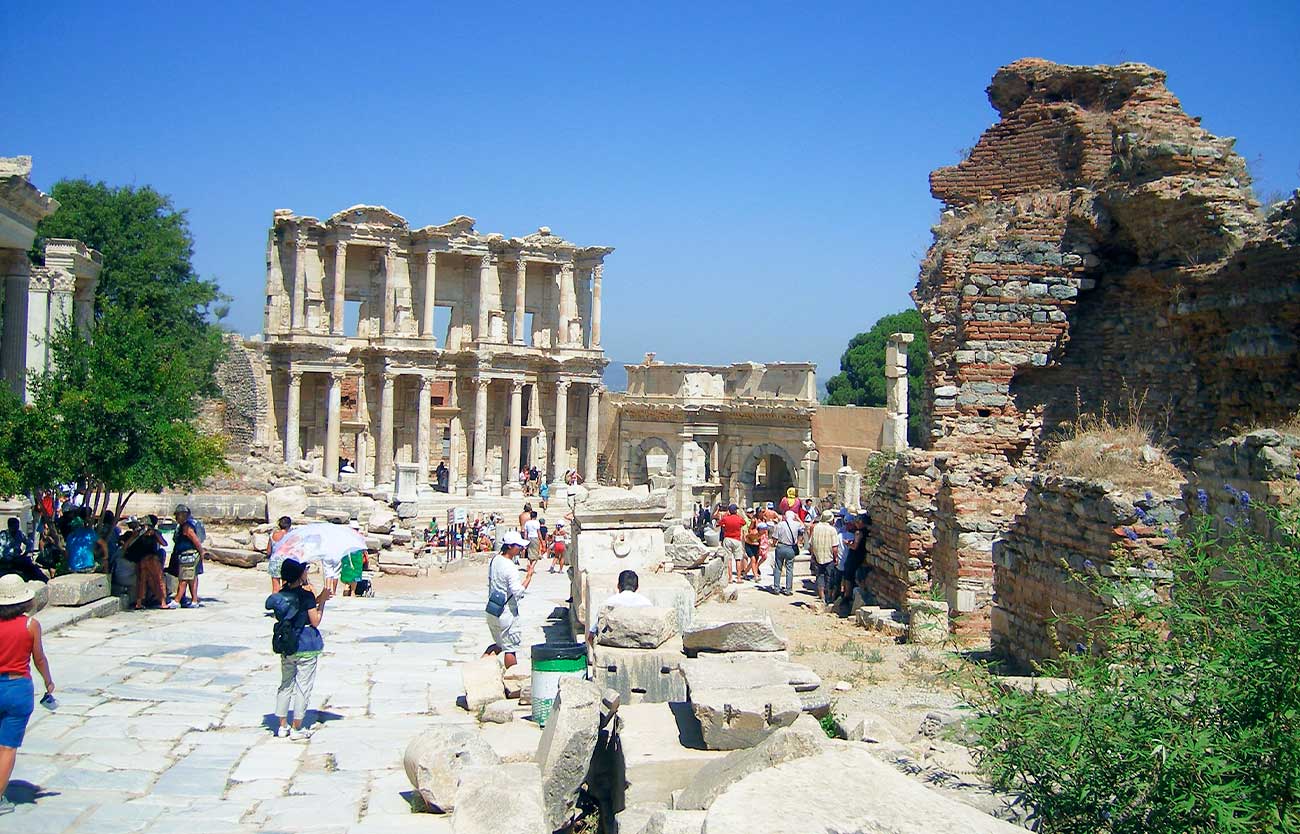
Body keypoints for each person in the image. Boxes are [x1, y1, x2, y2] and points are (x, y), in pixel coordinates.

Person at [0, 574, 55, 816]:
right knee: (7, 747)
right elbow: (39, 658)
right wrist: (48, 682)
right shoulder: (30, 626)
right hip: (17, 687)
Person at [265, 558, 331, 739]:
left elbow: (297, 610)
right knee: (303, 686)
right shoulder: (306, 595)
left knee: (285, 684)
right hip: (306, 645)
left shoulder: (281, 596)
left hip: (287, 645)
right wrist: (322, 602)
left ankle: (282, 725)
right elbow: (315, 620)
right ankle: (297, 727)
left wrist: (316, 598)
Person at [483, 532, 527, 668]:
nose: (521, 549)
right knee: (510, 648)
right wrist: (529, 577)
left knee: (498, 644)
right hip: (506, 612)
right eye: (518, 546)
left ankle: (480, 668)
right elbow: (518, 591)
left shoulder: (495, 560)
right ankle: (512, 680)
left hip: (493, 609)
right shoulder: (510, 567)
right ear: (510, 547)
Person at [587, 570, 653, 645]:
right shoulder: (647, 603)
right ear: (637, 587)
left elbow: (591, 636)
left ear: (618, 586)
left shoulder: (608, 603)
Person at [122, 516, 175, 610]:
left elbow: (126, 547)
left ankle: (139, 603)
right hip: (151, 559)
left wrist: (153, 534)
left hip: (142, 560)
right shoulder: (140, 534)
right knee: (158, 580)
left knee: (142, 582)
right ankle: (162, 602)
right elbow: (164, 544)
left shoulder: (147, 533)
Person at [167, 504, 206, 608]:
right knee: (192, 578)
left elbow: (195, 539)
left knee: (183, 578)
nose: (176, 517)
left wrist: (202, 552)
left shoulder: (187, 527)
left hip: (188, 555)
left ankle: (177, 600)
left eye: (178, 515)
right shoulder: (184, 526)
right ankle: (194, 600)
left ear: (184, 515)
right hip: (189, 555)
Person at [809, 510, 841, 605]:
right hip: (829, 557)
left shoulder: (816, 528)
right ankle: (829, 597)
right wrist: (836, 558)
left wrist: (813, 554)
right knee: (829, 576)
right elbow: (834, 547)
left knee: (820, 576)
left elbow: (811, 543)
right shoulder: (832, 530)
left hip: (817, 556)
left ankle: (822, 596)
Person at [771, 510, 802, 596]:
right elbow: (803, 528)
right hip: (791, 548)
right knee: (789, 568)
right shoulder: (797, 524)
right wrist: (798, 518)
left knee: (778, 567)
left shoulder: (780, 524)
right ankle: (788, 589)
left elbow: (775, 537)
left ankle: (776, 588)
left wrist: (773, 544)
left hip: (781, 546)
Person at [717, 504, 746, 584]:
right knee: (738, 559)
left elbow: (718, 524)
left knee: (729, 559)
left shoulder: (725, 519)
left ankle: (730, 578)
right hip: (736, 539)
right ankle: (739, 578)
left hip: (727, 539)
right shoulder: (739, 519)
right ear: (736, 511)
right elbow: (744, 523)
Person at [267, 516, 293, 593]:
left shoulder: (272, 535)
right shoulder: (290, 536)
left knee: (275, 588)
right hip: (286, 562)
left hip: (275, 561)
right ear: (289, 525)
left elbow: (268, 551)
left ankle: (274, 603)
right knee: (285, 587)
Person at [522, 511, 542, 588]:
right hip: (535, 537)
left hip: (529, 538)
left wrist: (525, 540)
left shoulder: (527, 523)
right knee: (536, 555)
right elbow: (538, 532)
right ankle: (532, 567)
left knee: (530, 553)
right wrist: (541, 540)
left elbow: (525, 533)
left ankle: (530, 565)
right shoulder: (536, 523)